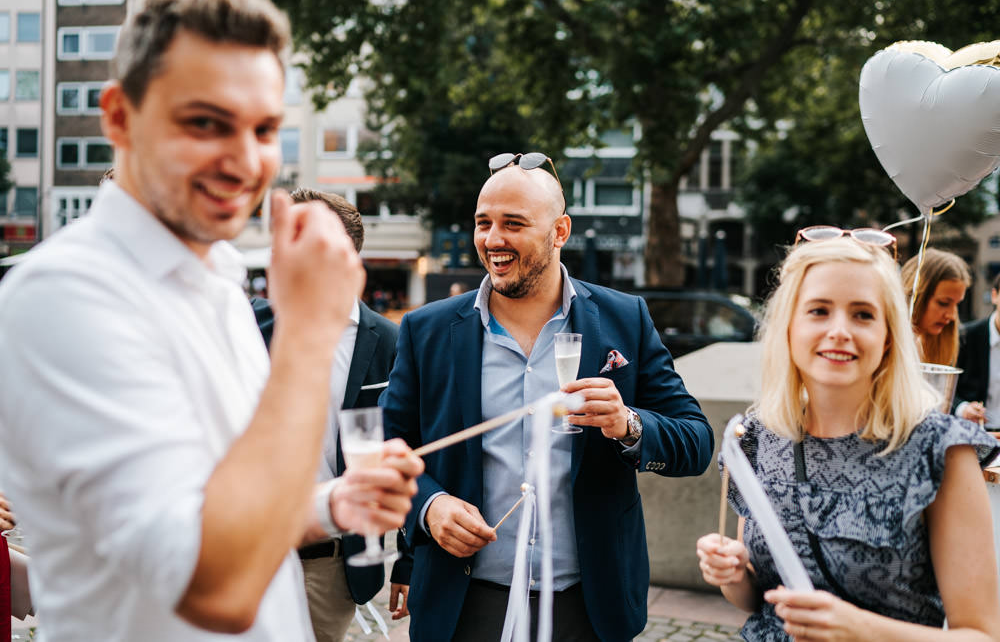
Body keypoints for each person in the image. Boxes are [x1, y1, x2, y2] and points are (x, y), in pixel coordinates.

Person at [0, 0, 422, 641]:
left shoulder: (222, 283)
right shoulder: (64, 295)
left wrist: (328, 504)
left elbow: (229, 506)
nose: (244, 159)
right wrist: (310, 331)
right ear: (118, 117)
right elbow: (214, 585)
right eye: (205, 122)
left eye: (263, 128)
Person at [383, 152, 714, 641]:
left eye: (513, 224)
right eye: (483, 223)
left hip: (588, 604)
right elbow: (389, 454)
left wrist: (629, 424)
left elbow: (697, 443)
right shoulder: (425, 330)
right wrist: (430, 508)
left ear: (560, 231)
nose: (493, 240)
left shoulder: (625, 319)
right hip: (465, 602)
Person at [697, 235, 1000, 641]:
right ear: (789, 327)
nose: (839, 331)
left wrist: (859, 629)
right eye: (819, 311)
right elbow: (759, 600)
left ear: (889, 336)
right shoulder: (757, 438)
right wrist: (734, 576)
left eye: (862, 315)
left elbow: (982, 634)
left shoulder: (940, 449)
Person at [252, 187, 409, 640]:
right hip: (249, 553)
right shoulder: (245, 326)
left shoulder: (391, 342)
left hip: (333, 565)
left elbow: (412, 443)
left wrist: (410, 560)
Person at [901, 248, 971, 366]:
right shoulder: (886, 342)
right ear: (916, 296)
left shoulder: (922, 344)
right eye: (943, 303)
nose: (952, 316)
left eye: (957, 304)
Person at [954, 271, 1000, 428]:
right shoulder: (966, 336)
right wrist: (963, 408)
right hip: (974, 432)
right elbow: (942, 390)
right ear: (994, 296)